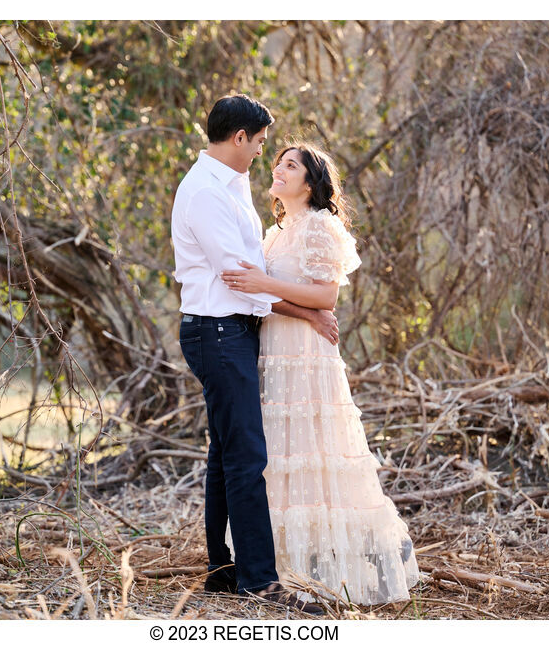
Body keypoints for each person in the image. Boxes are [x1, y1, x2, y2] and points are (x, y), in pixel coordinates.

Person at [220, 143, 420, 605]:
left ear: (309, 182)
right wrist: (292, 305)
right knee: (279, 455)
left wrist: (278, 292)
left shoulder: (320, 226)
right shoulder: (275, 232)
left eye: (290, 165)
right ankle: (283, 566)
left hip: (307, 357)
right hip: (273, 347)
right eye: (278, 162)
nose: (278, 169)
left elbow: (326, 297)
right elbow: (268, 298)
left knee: (314, 448)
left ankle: (340, 570)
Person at [171, 96, 335, 614]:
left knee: (224, 455)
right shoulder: (203, 193)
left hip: (230, 331)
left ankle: (222, 571)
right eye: (261, 143)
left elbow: (252, 277)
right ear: (239, 137)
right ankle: (260, 583)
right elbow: (242, 279)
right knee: (247, 457)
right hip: (217, 331)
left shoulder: (231, 184)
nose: (263, 154)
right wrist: (306, 312)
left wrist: (294, 308)